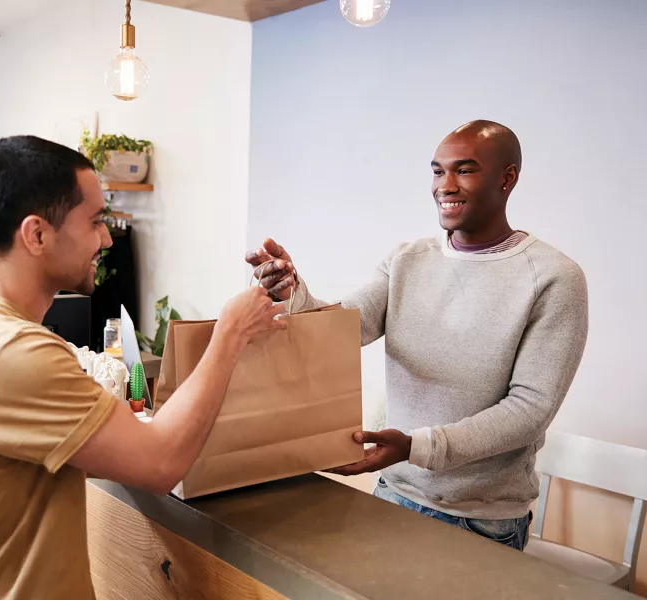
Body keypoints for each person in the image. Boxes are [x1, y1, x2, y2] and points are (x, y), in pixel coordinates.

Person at [0, 135, 286, 599]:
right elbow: (161, 461)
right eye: (95, 221)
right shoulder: (9, 352)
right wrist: (230, 333)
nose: (107, 238)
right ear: (37, 234)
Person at [246, 120, 589, 551]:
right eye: (437, 171)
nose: (445, 185)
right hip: (392, 494)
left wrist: (417, 447)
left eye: (464, 170)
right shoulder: (407, 259)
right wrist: (293, 293)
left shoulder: (555, 278)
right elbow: (344, 328)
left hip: (478, 521)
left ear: (508, 178)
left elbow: (530, 410)